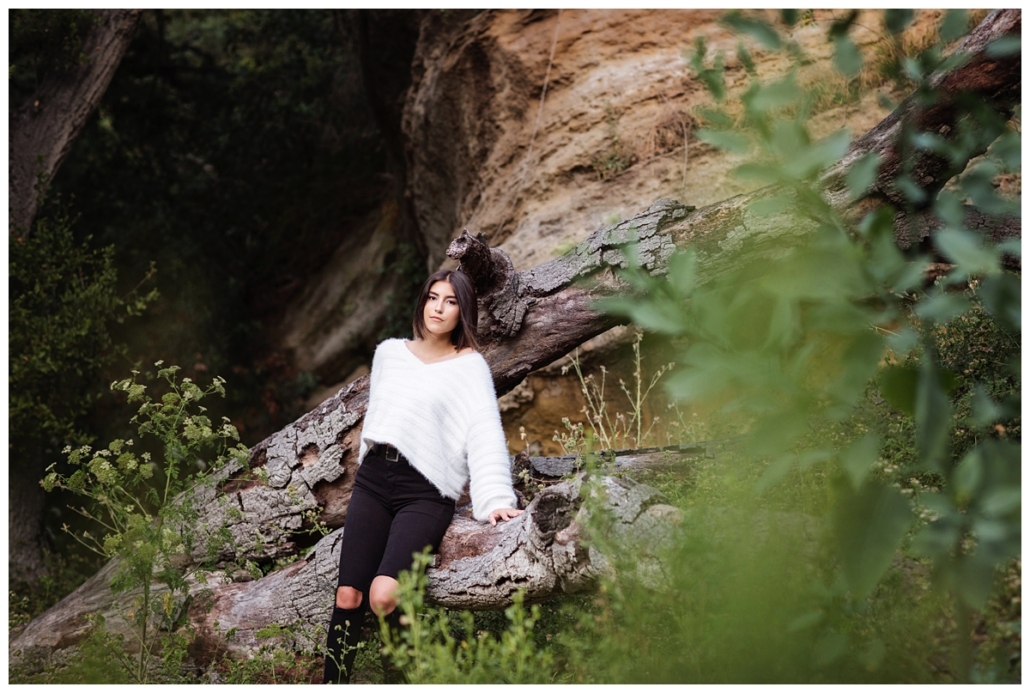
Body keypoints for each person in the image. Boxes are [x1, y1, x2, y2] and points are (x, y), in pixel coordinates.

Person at [323, 268, 523, 684]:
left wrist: (496, 500)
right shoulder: (390, 354)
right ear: (423, 301)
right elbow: (381, 419)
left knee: (383, 596)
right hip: (375, 481)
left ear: (462, 312)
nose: (439, 308)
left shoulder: (469, 368)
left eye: (451, 302)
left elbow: (484, 434)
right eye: (434, 297)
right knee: (348, 596)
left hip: (426, 493)